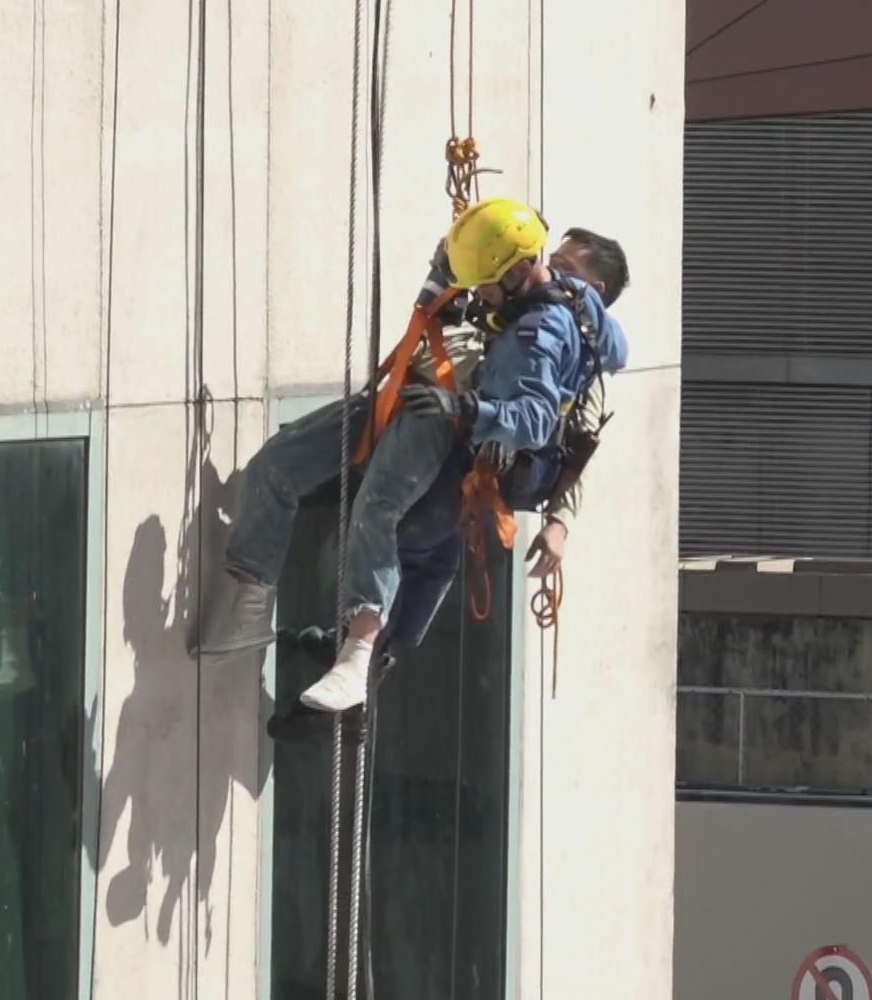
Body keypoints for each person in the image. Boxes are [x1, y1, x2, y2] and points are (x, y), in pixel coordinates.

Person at [197, 200, 629, 713]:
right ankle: (249, 599)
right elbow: (600, 342)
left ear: (517, 273)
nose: (482, 293)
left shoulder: (540, 336)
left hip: (440, 417)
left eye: (488, 283)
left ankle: (359, 654)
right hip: (413, 387)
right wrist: (457, 260)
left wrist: (466, 407)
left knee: (380, 511)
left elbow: (537, 421)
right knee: (278, 463)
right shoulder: (562, 297)